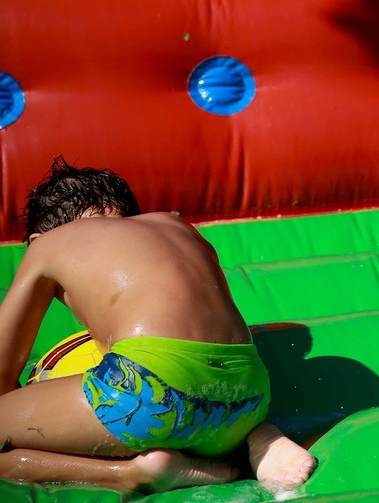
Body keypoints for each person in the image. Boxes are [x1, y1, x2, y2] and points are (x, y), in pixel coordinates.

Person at [0, 157, 316, 494]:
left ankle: (136, 472)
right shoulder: (177, 226)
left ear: (36, 238)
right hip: (249, 397)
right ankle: (256, 440)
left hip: (148, 390)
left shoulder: (49, 244)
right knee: (187, 407)